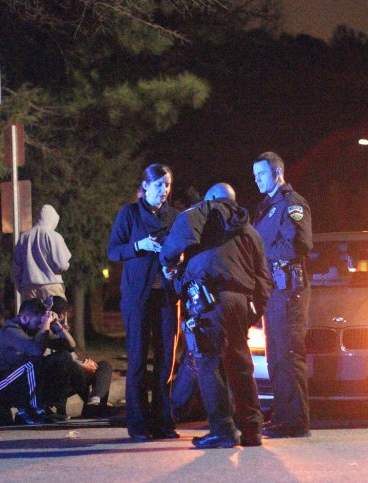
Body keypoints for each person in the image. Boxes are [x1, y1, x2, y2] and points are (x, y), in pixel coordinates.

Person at [161, 182, 272, 448]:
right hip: (240, 302)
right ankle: (252, 430)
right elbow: (263, 277)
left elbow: (171, 249)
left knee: (209, 365)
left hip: (208, 301)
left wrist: (170, 267)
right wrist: (254, 312)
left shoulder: (201, 214)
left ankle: (222, 430)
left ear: (211, 198)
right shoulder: (250, 231)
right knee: (240, 364)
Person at [107, 163, 180, 441]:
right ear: (146, 186)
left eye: (168, 185)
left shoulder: (174, 217)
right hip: (138, 298)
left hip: (167, 297)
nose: (164, 191)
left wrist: (178, 258)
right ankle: (137, 425)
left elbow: (184, 247)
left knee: (165, 361)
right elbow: (114, 251)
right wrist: (140, 246)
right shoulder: (129, 214)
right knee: (138, 360)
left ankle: (163, 422)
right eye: (159, 185)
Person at [252, 152, 313, 438]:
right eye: (254, 176)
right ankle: (282, 416)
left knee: (288, 355)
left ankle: (295, 422)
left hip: (288, 289)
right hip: (273, 289)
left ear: (277, 174)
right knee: (276, 355)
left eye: (261, 175)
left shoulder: (292, 204)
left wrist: (260, 254)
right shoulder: (268, 207)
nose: (257, 180)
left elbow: (299, 244)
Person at [0, 298, 74, 425]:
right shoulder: (11, 330)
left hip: (15, 382)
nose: (40, 325)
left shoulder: (33, 329)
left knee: (62, 357)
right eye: (38, 321)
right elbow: (36, 351)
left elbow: (71, 346)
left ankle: (49, 407)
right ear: (24, 318)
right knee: (32, 362)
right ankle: (34, 410)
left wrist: (58, 327)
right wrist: (45, 324)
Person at [49, 296, 113, 418]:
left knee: (104, 366)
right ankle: (92, 407)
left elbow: (71, 349)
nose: (65, 319)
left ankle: (95, 401)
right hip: (57, 382)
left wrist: (82, 363)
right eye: (64, 315)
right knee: (76, 367)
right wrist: (81, 365)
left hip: (73, 374)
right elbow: (66, 353)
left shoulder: (59, 332)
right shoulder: (46, 332)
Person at [14, 204, 72, 301]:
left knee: (32, 316)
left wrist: (21, 286)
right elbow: (61, 265)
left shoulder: (24, 237)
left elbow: (17, 266)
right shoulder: (54, 236)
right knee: (54, 315)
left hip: (29, 287)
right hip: (51, 287)